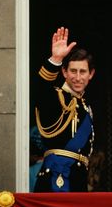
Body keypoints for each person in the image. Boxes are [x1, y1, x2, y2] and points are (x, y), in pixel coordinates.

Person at [34, 27, 96, 192]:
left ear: (91, 74)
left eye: (82, 72)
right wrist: (55, 59)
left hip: (78, 179)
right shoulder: (56, 98)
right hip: (56, 178)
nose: (77, 77)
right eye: (72, 71)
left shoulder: (85, 106)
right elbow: (40, 89)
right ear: (64, 72)